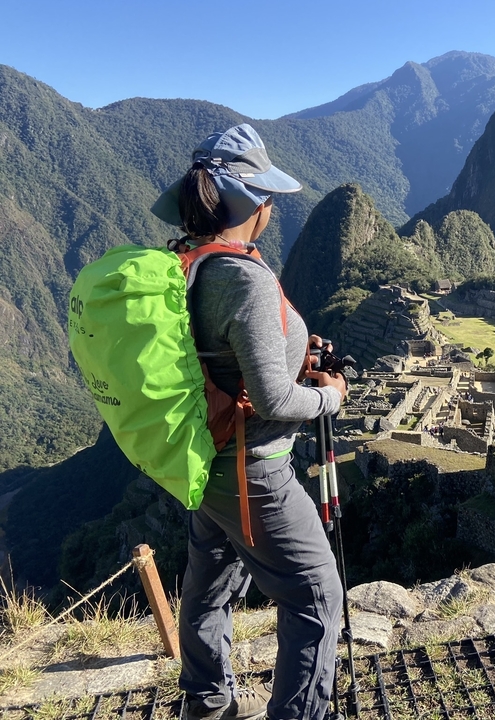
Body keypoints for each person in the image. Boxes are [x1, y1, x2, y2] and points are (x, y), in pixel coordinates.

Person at [151, 124, 347, 720]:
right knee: (317, 597)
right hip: (255, 472)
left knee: (208, 590)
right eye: (266, 197)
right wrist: (329, 398)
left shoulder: (184, 262)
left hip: (204, 464)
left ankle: (207, 705)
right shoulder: (243, 278)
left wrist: (293, 350)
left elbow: (221, 355)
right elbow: (272, 402)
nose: (270, 209)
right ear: (251, 203)